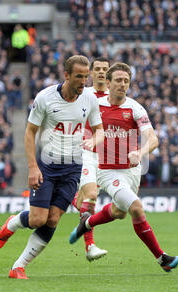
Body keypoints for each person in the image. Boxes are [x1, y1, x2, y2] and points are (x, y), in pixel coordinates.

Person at [0, 55, 104, 279]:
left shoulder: (89, 99)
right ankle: (13, 223)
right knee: (37, 219)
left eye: (86, 76)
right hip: (47, 166)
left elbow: (99, 129)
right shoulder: (45, 98)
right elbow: (30, 132)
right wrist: (33, 167)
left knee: (53, 219)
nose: (84, 81)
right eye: (79, 77)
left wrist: (94, 140)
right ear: (66, 75)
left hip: (73, 167)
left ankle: (19, 266)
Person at [68, 63, 178, 273]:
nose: (123, 85)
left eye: (126, 81)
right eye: (119, 80)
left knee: (119, 212)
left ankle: (86, 223)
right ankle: (162, 258)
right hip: (107, 170)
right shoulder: (95, 105)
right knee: (136, 208)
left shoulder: (135, 108)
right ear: (109, 82)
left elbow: (153, 139)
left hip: (131, 171)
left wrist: (140, 153)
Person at [71, 57, 110, 261]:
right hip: (84, 151)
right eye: (98, 69)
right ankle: (90, 247)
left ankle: (67, 196)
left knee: (84, 203)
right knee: (92, 196)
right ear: (91, 73)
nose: (102, 72)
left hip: (106, 157)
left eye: (105, 69)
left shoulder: (115, 97)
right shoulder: (83, 94)